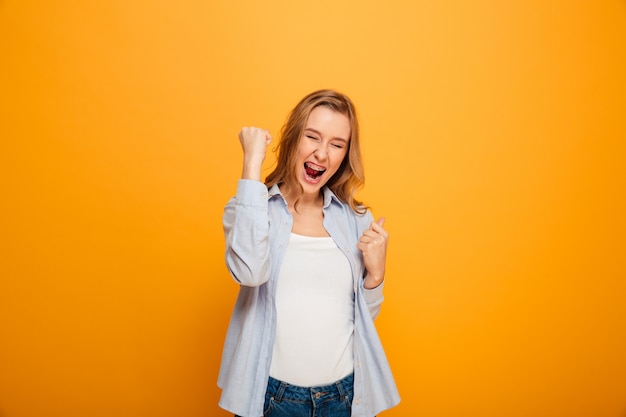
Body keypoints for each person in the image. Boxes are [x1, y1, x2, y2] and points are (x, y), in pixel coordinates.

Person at [217, 89, 400, 417]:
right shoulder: (251, 211)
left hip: (345, 396)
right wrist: (251, 164)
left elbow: (361, 319)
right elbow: (249, 272)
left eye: (336, 144)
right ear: (292, 139)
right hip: (272, 398)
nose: (321, 154)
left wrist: (376, 276)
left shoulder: (357, 221)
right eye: (312, 136)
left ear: (345, 154)